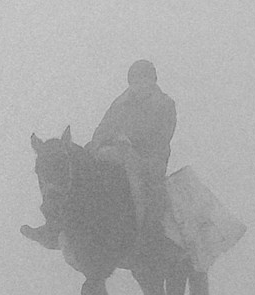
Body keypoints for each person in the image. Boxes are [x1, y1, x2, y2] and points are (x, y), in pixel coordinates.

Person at [24, 59, 176, 252]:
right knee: (80, 172)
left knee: (135, 181)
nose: (139, 84)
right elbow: (104, 126)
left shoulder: (164, 104)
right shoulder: (121, 103)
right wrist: (96, 145)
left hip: (146, 159)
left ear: (152, 80)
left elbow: (161, 136)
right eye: (135, 80)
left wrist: (130, 142)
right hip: (114, 153)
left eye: (144, 79)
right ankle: (57, 226)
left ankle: (142, 229)